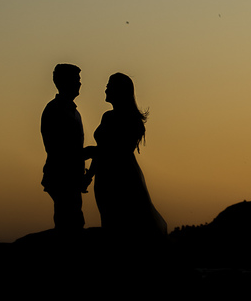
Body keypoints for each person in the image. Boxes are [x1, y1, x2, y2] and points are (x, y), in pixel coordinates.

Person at [86, 72, 167, 243]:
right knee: (108, 217)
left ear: (119, 90)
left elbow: (115, 152)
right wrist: (89, 175)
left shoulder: (130, 120)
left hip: (122, 177)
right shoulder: (107, 116)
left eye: (109, 86)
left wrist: (90, 152)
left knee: (122, 222)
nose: (105, 89)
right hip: (104, 177)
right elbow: (102, 150)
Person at [41, 63, 93, 232]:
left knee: (72, 220)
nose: (79, 83)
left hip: (71, 176)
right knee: (69, 223)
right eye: (76, 79)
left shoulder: (72, 111)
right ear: (65, 82)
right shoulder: (55, 110)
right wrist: (86, 153)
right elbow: (58, 149)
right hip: (62, 176)